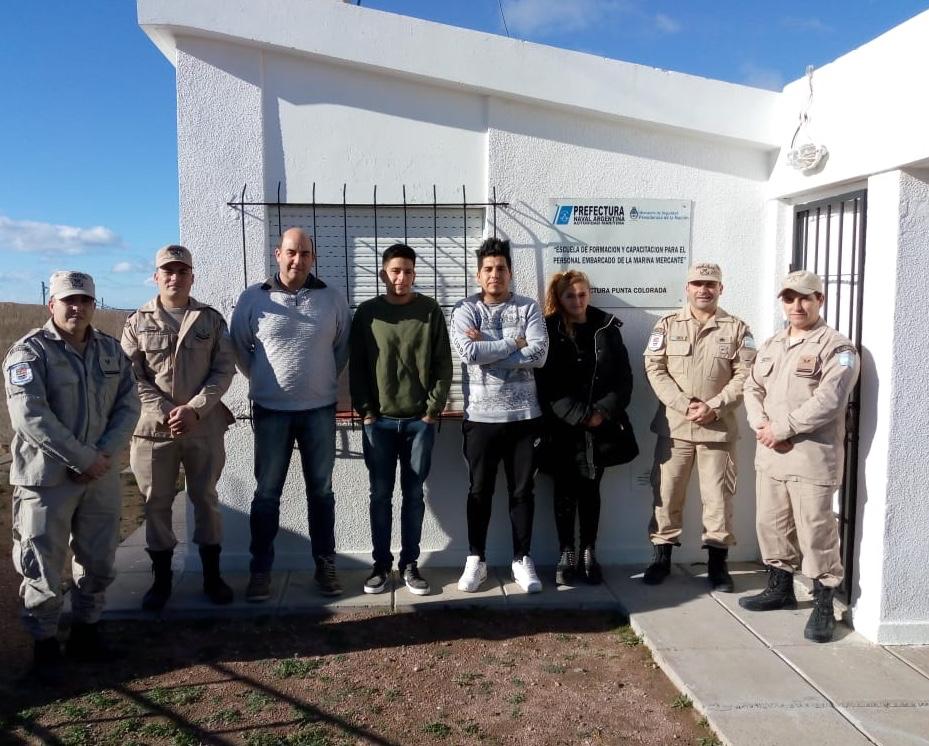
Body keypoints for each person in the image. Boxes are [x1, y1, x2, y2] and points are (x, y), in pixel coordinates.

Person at [4, 271, 140, 681]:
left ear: (94, 304)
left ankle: (86, 632)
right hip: (47, 479)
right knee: (42, 564)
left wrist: (103, 455)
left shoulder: (110, 351)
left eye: (85, 300)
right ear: (52, 304)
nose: (77, 307)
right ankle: (45, 646)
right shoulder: (29, 353)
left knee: (98, 559)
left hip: (100, 476)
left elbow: (128, 405)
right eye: (68, 300)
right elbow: (31, 417)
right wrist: (83, 459)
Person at [230, 227, 351, 601]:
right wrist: (266, 381)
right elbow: (240, 348)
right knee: (267, 493)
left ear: (313, 258)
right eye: (291, 252)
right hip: (271, 411)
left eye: (305, 253)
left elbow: (342, 348)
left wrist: (319, 382)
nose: (298, 259)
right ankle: (260, 571)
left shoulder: (332, 298)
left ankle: (325, 565)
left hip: (319, 411)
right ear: (278, 254)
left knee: (322, 493)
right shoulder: (253, 299)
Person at [740, 270, 859, 643]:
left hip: (810, 456)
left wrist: (782, 428)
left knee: (816, 530)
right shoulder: (773, 344)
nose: (797, 305)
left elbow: (829, 401)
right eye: (789, 298)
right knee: (771, 523)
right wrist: (760, 423)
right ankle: (779, 589)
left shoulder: (838, 348)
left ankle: (824, 602)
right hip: (770, 453)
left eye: (805, 297)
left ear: (819, 300)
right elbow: (752, 386)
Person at [121, 245, 236, 611]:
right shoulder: (137, 322)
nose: (175, 277)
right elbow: (131, 376)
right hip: (153, 431)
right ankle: (162, 581)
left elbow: (224, 369)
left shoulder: (210, 320)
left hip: (203, 427)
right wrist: (167, 410)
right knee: (156, 504)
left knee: (206, 500)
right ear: (156, 276)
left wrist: (195, 409)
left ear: (192, 276)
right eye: (168, 271)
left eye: (182, 271)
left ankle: (212, 577)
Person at [642, 263, 755, 590]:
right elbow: (654, 367)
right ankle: (661, 559)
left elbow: (746, 374)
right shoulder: (667, 325)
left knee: (719, 499)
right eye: (697, 283)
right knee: (666, 495)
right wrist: (683, 404)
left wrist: (715, 406)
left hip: (717, 430)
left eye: (710, 284)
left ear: (721, 289)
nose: (703, 289)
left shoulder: (737, 329)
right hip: (674, 428)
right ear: (687, 288)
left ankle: (717, 566)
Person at [350, 243, 452, 596]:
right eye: (395, 270)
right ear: (383, 273)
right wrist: (366, 412)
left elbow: (443, 363)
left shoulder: (429, 310)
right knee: (380, 495)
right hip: (378, 422)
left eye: (408, 271)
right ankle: (381, 565)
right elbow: (357, 365)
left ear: (414, 274)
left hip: (418, 423)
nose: (402, 277)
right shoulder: (368, 313)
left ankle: (410, 564)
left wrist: (432, 410)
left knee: (413, 495)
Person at [451, 237, 549, 593]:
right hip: (481, 419)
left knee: (522, 491)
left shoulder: (528, 308)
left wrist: (488, 347)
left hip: (525, 418)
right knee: (479, 491)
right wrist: (513, 344)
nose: (495, 274)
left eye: (501, 269)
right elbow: (468, 353)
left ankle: (522, 559)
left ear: (510, 273)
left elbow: (539, 355)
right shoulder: (465, 309)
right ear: (478, 275)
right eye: (489, 269)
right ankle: (476, 560)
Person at [536, 270, 637, 586]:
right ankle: (566, 553)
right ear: (559, 298)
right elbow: (545, 382)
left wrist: (601, 412)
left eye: (582, 294)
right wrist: (578, 414)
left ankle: (589, 553)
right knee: (564, 491)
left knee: (591, 490)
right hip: (562, 427)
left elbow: (624, 379)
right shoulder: (548, 329)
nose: (577, 301)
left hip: (599, 428)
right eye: (570, 296)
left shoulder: (606, 328)